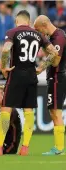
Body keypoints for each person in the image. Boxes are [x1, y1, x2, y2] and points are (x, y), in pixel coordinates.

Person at [0, 10, 60, 156]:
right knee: (28, 113)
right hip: (31, 75)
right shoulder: (38, 34)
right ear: (29, 21)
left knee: (6, 110)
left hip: (16, 73)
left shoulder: (12, 32)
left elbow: (6, 49)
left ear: (16, 20)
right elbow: (53, 52)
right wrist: (41, 67)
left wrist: (3, 66)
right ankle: (25, 148)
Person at [34, 15, 66, 155]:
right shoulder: (55, 37)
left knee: (55, 112)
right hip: (54, 78)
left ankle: (59, 148)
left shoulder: (58, 37)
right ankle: (59, 147)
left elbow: (55, 61)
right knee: (54, 111)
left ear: (44, 24)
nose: (39, 32)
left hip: (57, 78)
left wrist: (41, 67)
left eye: (38, 29)